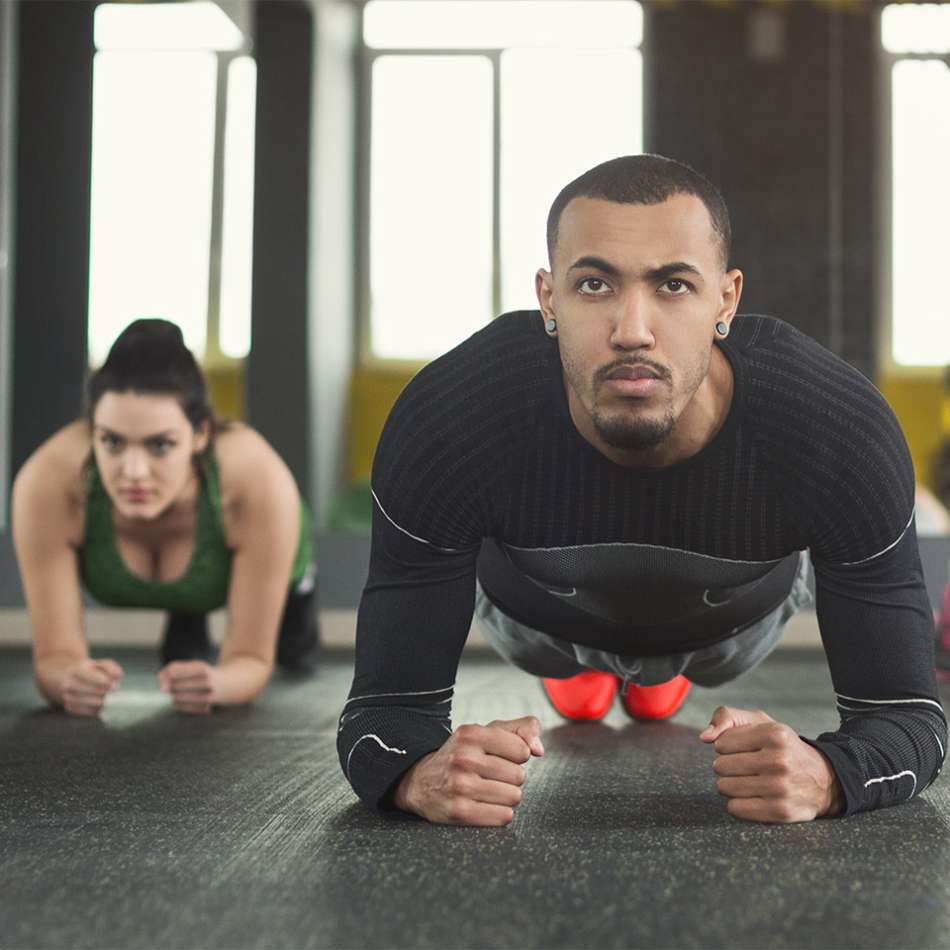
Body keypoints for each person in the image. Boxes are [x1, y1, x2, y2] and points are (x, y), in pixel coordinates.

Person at [337, 154, 946, 826]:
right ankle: (594, 674)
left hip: (727, 630)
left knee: (673, 678)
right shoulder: (450, 416)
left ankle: (656, 679)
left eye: (674, 286)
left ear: (727, 300)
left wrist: (832, 775)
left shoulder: (838, 427)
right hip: (538, 621)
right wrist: (416, 776)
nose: (632, 330)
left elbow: (910, 719)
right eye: (594, 285)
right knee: (573, 674)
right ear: (547, 299)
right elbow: (381, 719)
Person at [12, 319, 319, 717]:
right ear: (91, 433)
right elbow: (53, 659)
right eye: (112, 442)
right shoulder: (49, 482)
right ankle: (187, 610)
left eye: (160, 445)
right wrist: (69, 678)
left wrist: (220, 683)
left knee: (296, 652)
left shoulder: (256, 480)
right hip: (195, 565)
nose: (133, 471)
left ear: (201, 434)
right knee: (184, 645)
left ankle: (202, 607)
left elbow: (250, 660)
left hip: (245, 557)